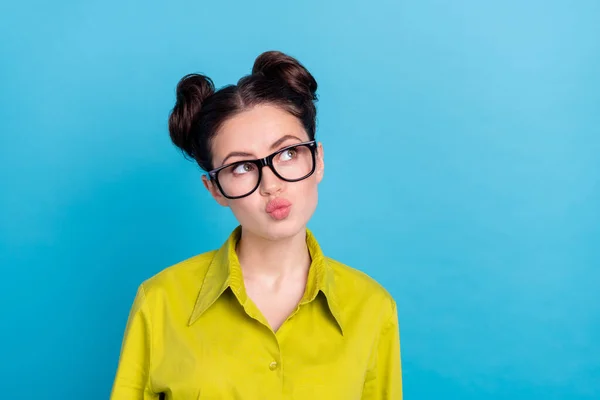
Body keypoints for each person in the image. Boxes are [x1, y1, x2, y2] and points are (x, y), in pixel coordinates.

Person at [109, 50, 402, 399]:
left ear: (318, 159)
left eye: (288, 153)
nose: (271, 185)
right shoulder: (160, 302)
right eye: (242, 167)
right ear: (215, 188)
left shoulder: (372, 307)